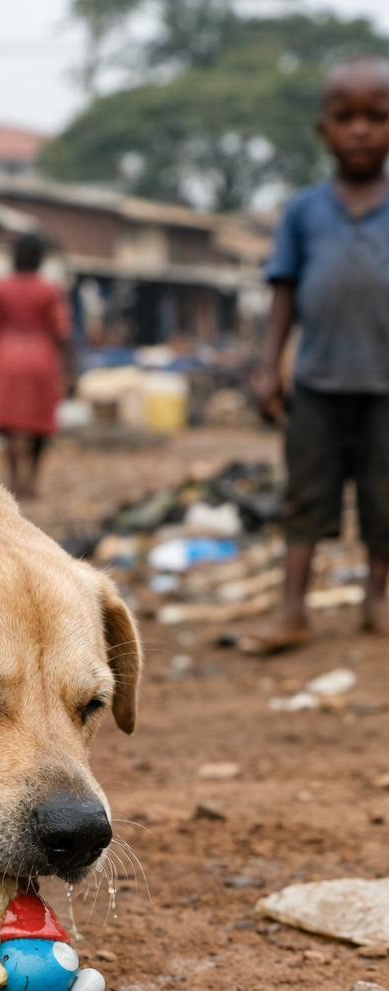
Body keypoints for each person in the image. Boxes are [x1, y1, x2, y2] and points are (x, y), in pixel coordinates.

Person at [241, 55, 389, 655]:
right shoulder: (303, 211)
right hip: (317, 385)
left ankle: (377, 600)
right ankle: (292, 608)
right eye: (344, 117)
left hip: (386, 387)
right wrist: (269, 364)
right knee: (305, 496)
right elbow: (283, 290)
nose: (359, 130)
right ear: (323, 130)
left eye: (376, 117)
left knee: (386, 498)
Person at [0, 232, 71, 498]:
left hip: (6, 358)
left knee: (9, 424)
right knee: (38, 423)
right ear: (40, 258)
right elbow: (62, 331)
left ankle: (13, 480)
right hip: (40, 359)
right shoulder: (51, 290)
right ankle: (31, 481)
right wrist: (65, 366)